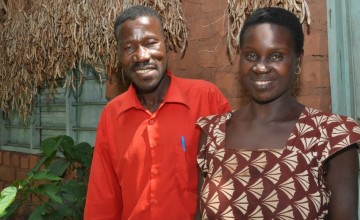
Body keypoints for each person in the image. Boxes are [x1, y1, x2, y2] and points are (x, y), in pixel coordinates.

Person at [196, 7, 360, 219]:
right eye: (251, 55)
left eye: (276, 56)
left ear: (298, 60)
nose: (261, 67)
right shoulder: (212, 132)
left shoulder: (332, 136)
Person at [84, 5, 231, 220]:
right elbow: (103, 198)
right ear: (119, 55)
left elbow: (231, 180)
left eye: (150, 43)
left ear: (166, 44)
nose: (141, 56)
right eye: (129, 48)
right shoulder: (111, 115)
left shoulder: (208, 99)